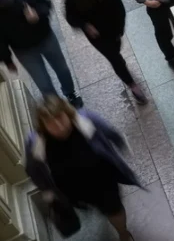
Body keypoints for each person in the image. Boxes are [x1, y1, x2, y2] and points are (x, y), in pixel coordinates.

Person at [25, 97, 139, 241]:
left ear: (66, 113)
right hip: (71, 190)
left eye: (60, 117)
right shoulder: (35, 142)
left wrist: (121, 151)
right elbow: (32, 169)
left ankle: (123, 232)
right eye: (50, 123)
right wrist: (48, 193)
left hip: (102, 180)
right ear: (43, 125)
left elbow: (111, 133)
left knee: (114, 209)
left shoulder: (86, 120)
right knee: (92, 206)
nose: (59, 126)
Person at [64, 0, 148, 105]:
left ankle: (120, 63)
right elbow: (71, 18)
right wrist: (85, 25)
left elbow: (119, 9)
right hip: (99, 38)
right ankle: (131, 84)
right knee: (114, 58)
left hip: (114, 31)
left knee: (116, 53)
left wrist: (120, 29)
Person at [1, 0, 82, 106]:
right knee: (43, 83)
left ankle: (70, 93)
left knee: (62, 70)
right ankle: (58, 108)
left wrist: (38, 15)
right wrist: (7, 60)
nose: (5, 3)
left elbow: (46, 5)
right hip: (24, 50)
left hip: (45, 39)